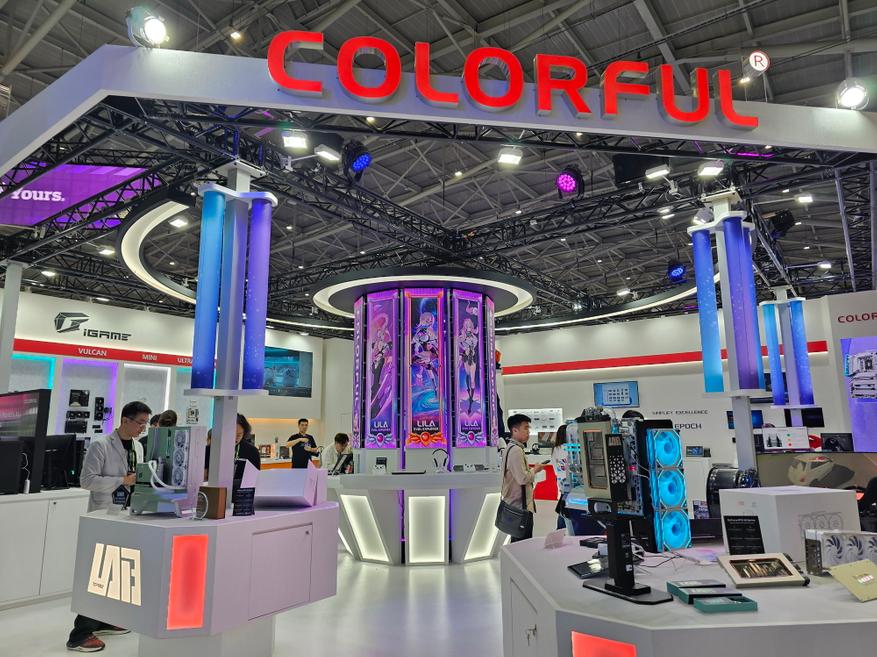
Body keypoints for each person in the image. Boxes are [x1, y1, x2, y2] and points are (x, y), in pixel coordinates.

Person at [67, 400, 151, 653]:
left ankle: (103, 620)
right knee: (97, 573)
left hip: (127, 514)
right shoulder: (101, 445)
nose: (143, 428)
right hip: (103, 515)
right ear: (125, 420)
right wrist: (121, 480)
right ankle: (80, 634)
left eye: (145, 424)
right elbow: (87, 481)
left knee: (115, 571)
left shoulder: (138, 447)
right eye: (140, 423)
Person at [501, 413, 545, 543]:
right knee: (522, 544)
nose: (528, 431)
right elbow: (523, 478)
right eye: (525, 428)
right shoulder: (516, 450)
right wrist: (535, 469)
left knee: (518, 543)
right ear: (515, 430)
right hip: (520, 507)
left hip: (516, 505)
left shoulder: (511, 448)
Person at [204, 414, 260, 479]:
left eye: (239, 435)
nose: (235, 438)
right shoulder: (210, 449)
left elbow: (255, 477)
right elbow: (204, 477)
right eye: (232, 434)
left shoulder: (252, 451)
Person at [552, 424, 571, 532]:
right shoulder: (571, 447)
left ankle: (559, 531)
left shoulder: (555, 449)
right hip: (571, 482)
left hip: (560, 482)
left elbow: (555, 469)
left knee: (563, 506)